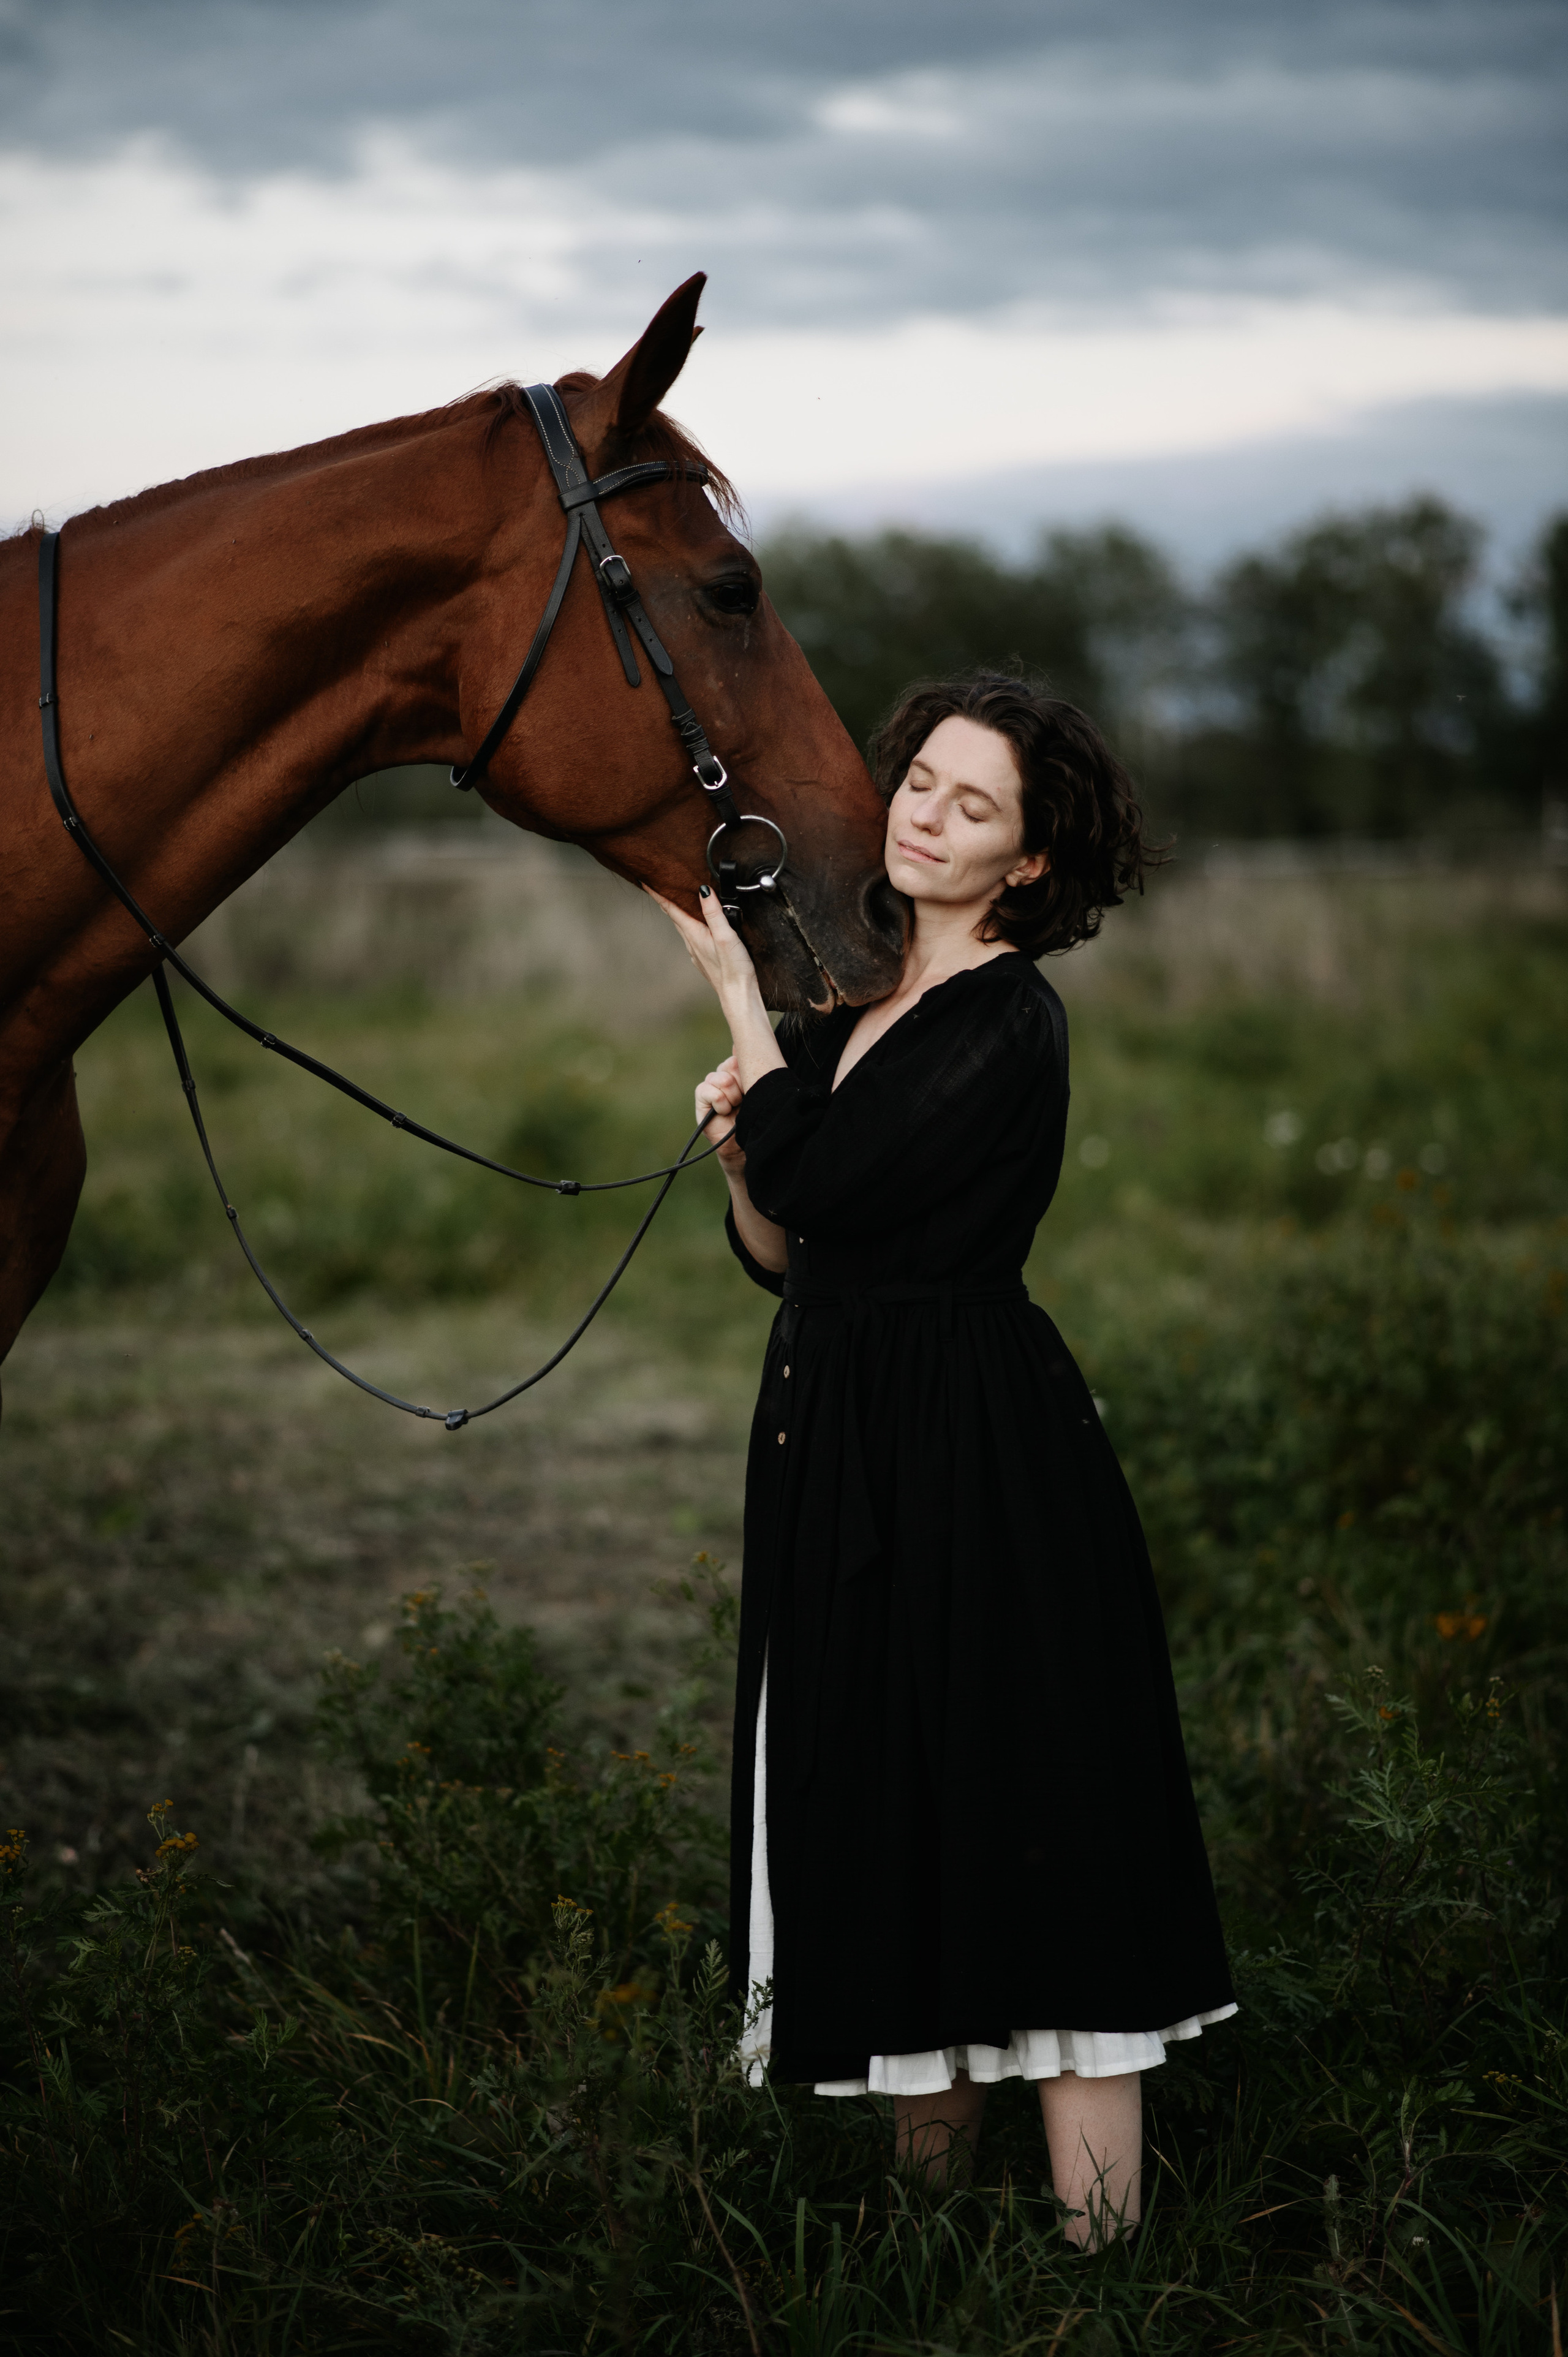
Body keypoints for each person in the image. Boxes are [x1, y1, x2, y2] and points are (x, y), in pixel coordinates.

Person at [649, 673, 1234, 2249]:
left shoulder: (1003, 1019)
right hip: (840, 1436)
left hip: (976, 1455)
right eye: (920, 780)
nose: (922, 812)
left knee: (1027, 1795)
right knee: (888, 1797)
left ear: (1026, 865)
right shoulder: (855, 1004)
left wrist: (733, 1014)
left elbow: (834, 1176)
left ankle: (1098, 2266)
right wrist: (738, 1131)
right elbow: (787, 1247)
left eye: (971, 806)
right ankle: (928, 2260)